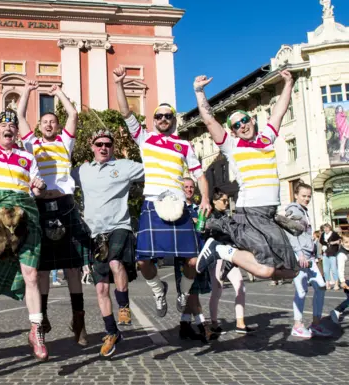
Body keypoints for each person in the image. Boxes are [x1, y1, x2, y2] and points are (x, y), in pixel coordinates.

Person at [114, 66, 211, 319]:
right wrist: (119, 83)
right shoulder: (144, 138)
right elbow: (125, 112)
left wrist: (206, 199)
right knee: (144, 261)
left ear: (174, 120)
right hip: (152, 205)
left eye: (168, 116)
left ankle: (183, 293)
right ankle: (159, 290)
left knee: (192, 261)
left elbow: (200, 175)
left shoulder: (184, 144)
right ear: (154, 120)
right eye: (160, 116)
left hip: (180, 205)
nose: (164, 119)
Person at [192, 71, 299, 280]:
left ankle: (230, 253)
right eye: (237, 125)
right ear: (233, 131)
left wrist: (288, 82)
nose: (243, 126)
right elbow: (208, 119)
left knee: (291, 271)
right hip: (250, 212)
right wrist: (199, 91)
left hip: (269, 213)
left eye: (245, 120)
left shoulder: (266, 137)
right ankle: (221, 251)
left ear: (252, 120)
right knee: (266, 269)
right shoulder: (231, 146)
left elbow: (279, 111)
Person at [0, 107, 48, 361]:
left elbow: (38, 191)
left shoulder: (28, 158)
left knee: (31, 275)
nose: (8, 128)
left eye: (13, 126)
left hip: (24, 215)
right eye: (3, 125)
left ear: (16, 132)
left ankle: (36, 330)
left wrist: (40, 186)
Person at [17, 81, 90, 346]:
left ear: (57, 127)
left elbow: (74, 114)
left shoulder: (65, 142)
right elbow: (20, 117)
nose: (49, 124)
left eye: (52, 121)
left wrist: (59, 92)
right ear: (39, 126)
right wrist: (27, 90)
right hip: (40, 206)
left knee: (72, 266)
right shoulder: (31, 143)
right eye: (45, 121)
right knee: (43, 268)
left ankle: (78, 318)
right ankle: (43, 317)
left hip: (66, 204)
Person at [72, 129, 144, 356]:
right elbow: (59, 179)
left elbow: (155, 168)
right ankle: (112, 332)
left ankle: (123, 306)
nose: (104, 148)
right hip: (94, 234)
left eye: (108, 144)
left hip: (119, 226)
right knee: (101, 287)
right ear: (92, 147)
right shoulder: (81, 171)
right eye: (99, 144)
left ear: (113, 147)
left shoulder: (124, 166)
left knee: (115, 262)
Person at [285, 182, 331, 338]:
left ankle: (316, 324)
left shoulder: (304, 211)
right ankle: (297, 326)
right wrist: (299, 253)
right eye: (303, 196)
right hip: (300, 256)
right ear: (296, 195)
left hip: (309, 255)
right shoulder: (293, 210)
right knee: (301, 290)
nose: (307, 199)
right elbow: (291, 233)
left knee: (321, 287)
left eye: (309, 196)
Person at [207, 188, 252, 336]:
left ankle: (240, 323)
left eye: (227, 200)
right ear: (214, 201)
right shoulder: (209, 215)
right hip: (217, 255)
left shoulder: (227, 216)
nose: (226, 203)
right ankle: (214, 323)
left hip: (230, 254)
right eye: (223, 200)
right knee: (217, 290)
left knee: (240, 286)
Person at [173, 178, 199, 312]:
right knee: (186, 291)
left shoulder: (198, 208)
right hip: (182, 252)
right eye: (186, 187)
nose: (189, 190)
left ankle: (187, 322)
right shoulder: (177, 207)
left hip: (198, 251)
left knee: (195, 291)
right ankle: (189, 323)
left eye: (192, 187)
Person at [330, 232, 349, 323]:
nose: (348, 244)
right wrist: (342, 281)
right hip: (347, 280)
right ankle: (337, 310)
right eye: (346, 242)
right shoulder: (342, 254)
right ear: (342, 242)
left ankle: (337, 311)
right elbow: (340, 269)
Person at [319, 223, 341, 290]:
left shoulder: (334, 234)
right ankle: (327, 284)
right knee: (326, 270)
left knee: (334, 269)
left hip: (333, 253)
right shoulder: (323, 234)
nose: (325, 229)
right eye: (324, 228)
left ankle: (336, 284)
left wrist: (333, 242)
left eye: (327, 227)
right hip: (325, 253)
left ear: (330, 228)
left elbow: (340, 240)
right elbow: (321, 241)